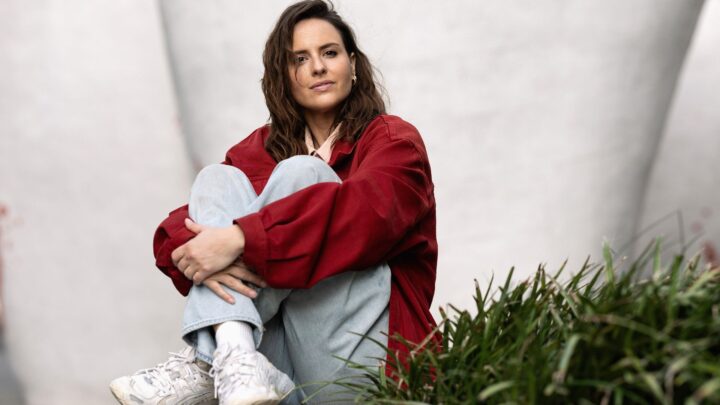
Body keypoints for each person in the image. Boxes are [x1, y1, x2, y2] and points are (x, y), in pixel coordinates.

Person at [110, 1, 437, 404]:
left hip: (359, 368)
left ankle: (207, 359)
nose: (317, 67)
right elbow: (177, 229)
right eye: (300, 59)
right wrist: (208, 245)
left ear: (352, 64)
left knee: (304, 175)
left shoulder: (392, 140)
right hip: (273, 369)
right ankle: (232, 352)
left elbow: (369, 214)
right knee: (218, 178)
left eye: (329, 53)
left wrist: (239, 240)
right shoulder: (258, 152)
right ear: (283, 76)